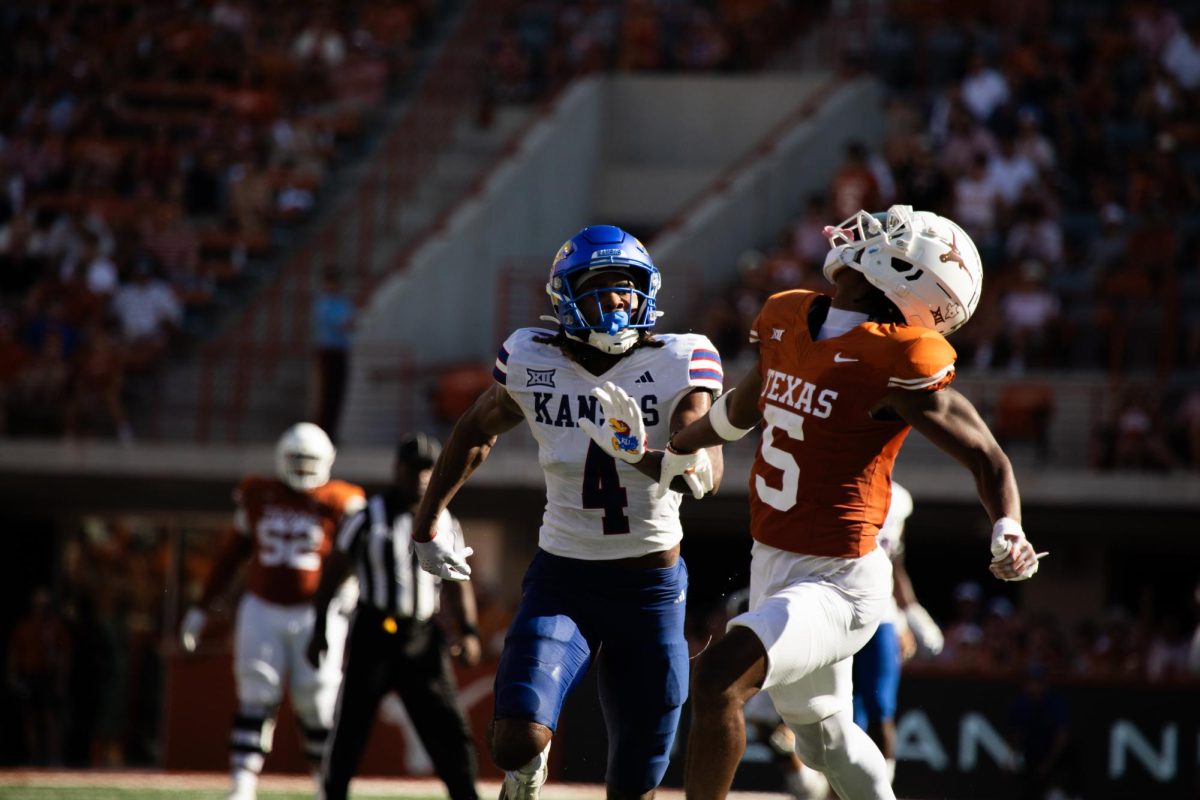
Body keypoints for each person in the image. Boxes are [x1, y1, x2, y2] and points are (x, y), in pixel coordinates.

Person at [585, 205, 1045, 800]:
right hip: (773, 562)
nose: (863, 229)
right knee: (821, 738)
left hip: (840, 580)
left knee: (720, 679)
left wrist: (1008, 525)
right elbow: (736, 412)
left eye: (889, 234)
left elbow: (988, 456)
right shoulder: (788, 315)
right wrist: (659, 449)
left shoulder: (896, 357)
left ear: (905, 270)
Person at [409, 224, 724, 800]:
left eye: (627, 286)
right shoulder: (531, 357)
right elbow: (477, 429)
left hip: (651, 588)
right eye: (600, 286)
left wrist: (645, 456)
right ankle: (529, 775)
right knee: (512, 740)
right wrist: (428, 520)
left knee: (635, 784)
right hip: (565, 578)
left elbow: (702, 467)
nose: (618, 299)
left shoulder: (681, 357)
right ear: (565, 297)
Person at [179, 422, 365, 800]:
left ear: (327, 461)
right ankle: (242, 785)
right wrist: (201, 609)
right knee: (255, 693)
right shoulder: (258, 493)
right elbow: (231, 555)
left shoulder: (341, 499)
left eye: (308, 460)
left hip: (317, 612)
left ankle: (326, 787)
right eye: (295, 459)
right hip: (262, 607)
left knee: (318, 701)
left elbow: (358, 558)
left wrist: (351, 593)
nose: (301, 468)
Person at [307, 432, 482, 800]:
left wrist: (467, 631)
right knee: (351, 728)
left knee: (449, 729)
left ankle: (466, 795)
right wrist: (319, 628)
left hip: (421, 635)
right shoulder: (366, 516)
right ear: (396, 471)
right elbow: (334, 571)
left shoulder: (445, 518)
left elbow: (457, 582)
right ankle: (333, 794)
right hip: (373, 631)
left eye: (427, 470)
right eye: (413, 469)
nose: (420, 478)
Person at [851, 482, 943, 787]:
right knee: (843, 713)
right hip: (840, 612)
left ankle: (882, 787)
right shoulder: (844, 480)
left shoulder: (900, 499)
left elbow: (894, 564)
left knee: (880, 709)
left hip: (881, 617)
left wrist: (909, 617)